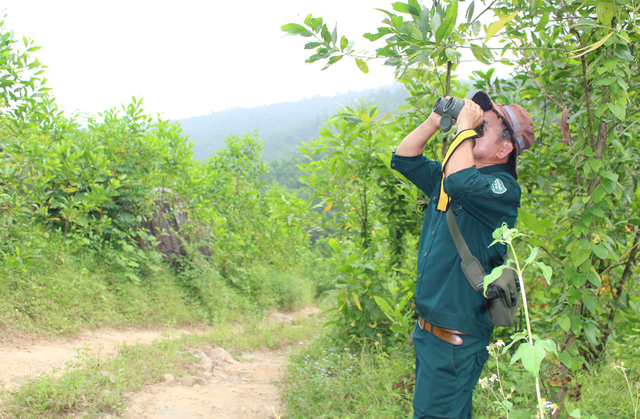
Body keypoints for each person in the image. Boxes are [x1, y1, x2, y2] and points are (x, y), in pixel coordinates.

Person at [390, 91, 535, 419]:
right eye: (477, 122)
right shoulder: (453, 177)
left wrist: (465, 129)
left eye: (487, 125)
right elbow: (404, 158)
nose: (478, 125)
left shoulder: (503, 189)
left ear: (505, 148)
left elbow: (459, 180)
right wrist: (433, 120)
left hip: (455, 339)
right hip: (431, 332)